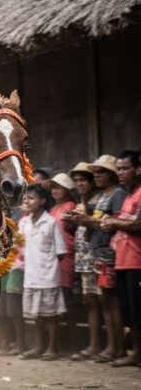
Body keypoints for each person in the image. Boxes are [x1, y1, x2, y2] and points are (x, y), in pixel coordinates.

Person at [65, 155, 127, 362]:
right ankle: (107, 346)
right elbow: (94, 225)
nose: (97, 176)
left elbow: (117, 222)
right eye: (96, 173)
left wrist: (87, 220)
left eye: (101, 173)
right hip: (95, 249)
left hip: (108, 252)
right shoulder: (100, 196)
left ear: (110, 175)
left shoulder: (117, 194)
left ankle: (115, 347)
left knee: (109, 301)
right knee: (99, 300)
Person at [101, 150, 141, 367]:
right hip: (124, 258)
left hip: (137, 259)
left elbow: (137, 224)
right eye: (119, 169)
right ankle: (135, 352)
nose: (121, 173)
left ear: (137, 169)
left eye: (125, 168)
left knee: (137, 309)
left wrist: (114, 223)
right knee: (130, 310)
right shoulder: (128, 195)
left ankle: (137, 353)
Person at [18, 185, 67, 360]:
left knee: (50, 315)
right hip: (31, 274)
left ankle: (52, 348)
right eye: (25, 198)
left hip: (47, 275)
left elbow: (60, 252)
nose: (26, 201)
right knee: (35, 316)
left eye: (31, 198)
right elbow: (20, 247)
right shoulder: (24, 223)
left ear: (42, 201)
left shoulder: (51, 222)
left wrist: (47, 267)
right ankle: (38, 347)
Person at [66, 162, 101, 360]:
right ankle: (93, 344)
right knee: (89, 301)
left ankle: (101, 345)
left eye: (83, 180)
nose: (79, 184)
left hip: (95, 254)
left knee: (102, 301)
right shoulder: (82, 201)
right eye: (77, 181)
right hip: (83, 256)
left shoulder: (97, 200)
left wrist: (83, 218)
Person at [48, 172, 80, 354]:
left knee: (68, 300)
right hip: (53, 259)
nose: (55, 190)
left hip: (66, 256)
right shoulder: (54, 209)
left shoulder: (70, 206)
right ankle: (61, 343)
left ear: (67, 189)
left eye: (58, 187)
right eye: (53, 187)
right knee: (57, 301)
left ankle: (73, 343)